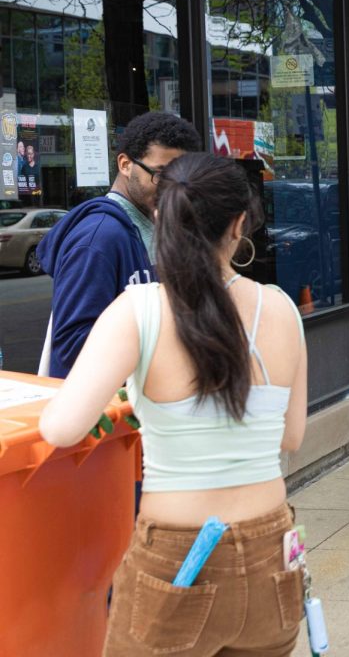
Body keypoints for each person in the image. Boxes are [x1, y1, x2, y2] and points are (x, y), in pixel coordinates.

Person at [40, 152, 309, 656]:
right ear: (239, 223)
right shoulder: (281, 309)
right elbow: (291, 437)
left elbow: (61, 429)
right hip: (272, 548)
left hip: (177, 554)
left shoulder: (138, 310)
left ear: (162, 216)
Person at [37, 112, 201, 377]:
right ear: (125, 164)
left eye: (180, 179)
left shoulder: (157, 226)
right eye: (160, 175)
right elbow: (71, 346)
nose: (170, 189)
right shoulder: (99, 237)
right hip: (104, 411)